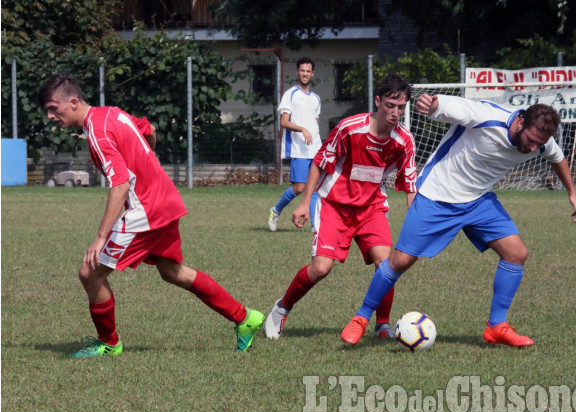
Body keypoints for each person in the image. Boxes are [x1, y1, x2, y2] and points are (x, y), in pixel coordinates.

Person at [38, 73, 264, 357]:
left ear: (72, 102)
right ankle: (245, 318)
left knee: (90, 274)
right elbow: (150, 129)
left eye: (52, 108)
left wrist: (99, 238)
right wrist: (145, 161)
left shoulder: (95, 130)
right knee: (172, 272)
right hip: (165, 200)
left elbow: (119, 185)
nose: (49, 116)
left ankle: (109, 343)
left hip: (146, 209)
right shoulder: (111, 114)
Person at [341, 93, 576, 347]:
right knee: (400, 260)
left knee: (516, 253)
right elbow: (447, 106)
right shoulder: (487, 117)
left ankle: (497, 327)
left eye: (539, 144)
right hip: (437, 195)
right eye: (532, 141)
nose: (534, 148)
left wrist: (572, 192)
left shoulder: (541, 141)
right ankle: (361, 318)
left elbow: (557, 158)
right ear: (520, 121)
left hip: (478, 201)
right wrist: (432, 104)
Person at [264, 74, 418, 340]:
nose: (395, 112)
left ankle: (382, 325)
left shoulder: (404, 141)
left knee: (387, 263)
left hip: (371, 207)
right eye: (390, 105)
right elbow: (319, 163)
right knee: (321, 269)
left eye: (401, 107)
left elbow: (410, 185)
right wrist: (303, 204)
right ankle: (282, 308)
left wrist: (417, 226)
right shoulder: (350, 128)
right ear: (378, 101)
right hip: (334, 205)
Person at [268, 57, 321, 231]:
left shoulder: (316, 98)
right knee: (299, 188)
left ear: (312, 73)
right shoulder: (290, 94)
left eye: (308, 71)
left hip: (315, 149)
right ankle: (276, 210)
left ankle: (315, 227)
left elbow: (315, 122)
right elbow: (284, 122)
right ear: (297, 72)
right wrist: (303, 130)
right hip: (299, 150)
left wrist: (314, 135)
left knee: (314, 189)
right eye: (302, 70)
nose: (305, 74)